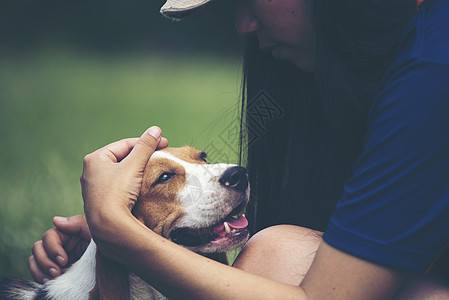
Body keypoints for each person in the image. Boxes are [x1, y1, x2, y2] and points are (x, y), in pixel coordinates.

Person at [28, 0, 449, 298]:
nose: (242, 25)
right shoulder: (387, 65)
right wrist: (114, 235)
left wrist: (119, 232)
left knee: (274, 257)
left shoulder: (433, 74)